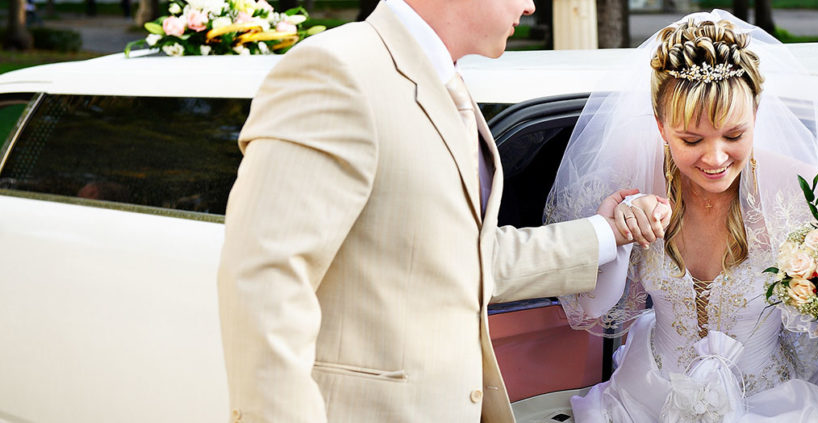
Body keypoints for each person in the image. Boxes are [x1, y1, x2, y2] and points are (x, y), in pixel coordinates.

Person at [216, 0, 657, 422]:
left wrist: (605, 233)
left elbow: (466, 254)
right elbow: (265, 283)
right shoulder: (338, 70)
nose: (530, 6)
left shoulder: (443, 82)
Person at [546, 11, 818, 422]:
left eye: (734, 135)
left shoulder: (800, 185)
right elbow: (590, 309)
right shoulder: (632, 175)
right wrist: (616, 238)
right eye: (691, 139)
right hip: (646, 401)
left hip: (773, 405)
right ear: (661, 127)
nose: (715, 158)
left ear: (756, 114)